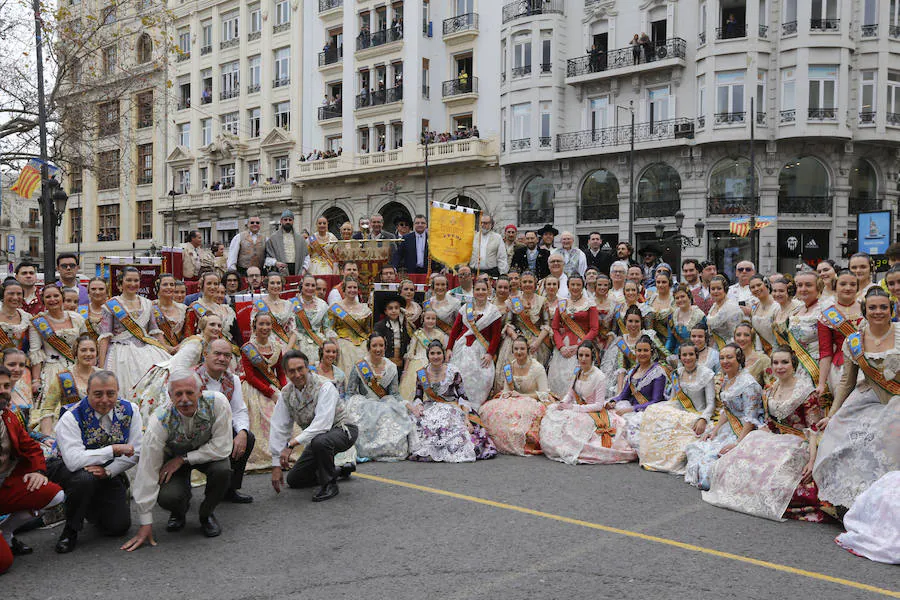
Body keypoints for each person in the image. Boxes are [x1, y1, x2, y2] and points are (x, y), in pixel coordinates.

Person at [703, 346, 830, 522]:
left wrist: (811, 461)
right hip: (774, 439)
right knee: (738, 465)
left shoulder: (806, 391)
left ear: (793, 364)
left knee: (775, 482)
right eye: (776, 362)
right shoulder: (770, 389)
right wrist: (746, 443)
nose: (780, 367)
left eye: (784, 362)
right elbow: (770, 423)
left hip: (799, 443)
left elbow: (814, 429)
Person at [123, 371, 234, 549]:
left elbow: (222, 447)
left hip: (206, 454)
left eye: (190, 393)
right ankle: (179, 511)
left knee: (223, 469)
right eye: (178, 394)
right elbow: (147, 470)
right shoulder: (159, 421)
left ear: (200, 391)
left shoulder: (217, 402)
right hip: (171, 459)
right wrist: (145, 523)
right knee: (168, 496)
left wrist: (183, 459)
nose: (184, 399)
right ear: (169, 396)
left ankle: (206, 514)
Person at [813, 287, 900, 515]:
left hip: (897, 402)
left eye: (883, 307)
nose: (878, 311)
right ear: (865, 311)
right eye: (872, 307)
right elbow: (846, 383)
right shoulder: (854, 341)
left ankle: (883, 505)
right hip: (867, 399)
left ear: (891, 309)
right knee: (838, 433)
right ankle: (849, 502)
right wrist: (832, 414)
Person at [50, 371, 142, 553]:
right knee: (84, 479)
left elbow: (136, 451)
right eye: (98, 394)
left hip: (105, 469)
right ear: (87, 392)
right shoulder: (70, 416)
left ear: (118, 392)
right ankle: (71, 529)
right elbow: (73, 461)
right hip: (66, 468)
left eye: (111, 393)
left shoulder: (131, 410)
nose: (105, 400)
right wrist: (113, 450)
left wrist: (110, 471)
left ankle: (90, 505)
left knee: (118, 528)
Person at [0, 365, 65, 573]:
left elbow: (30, 447)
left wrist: (38, 471)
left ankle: (6, 531)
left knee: (54, 495)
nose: (3, 390)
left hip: (6, 484)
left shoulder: (9, 416)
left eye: (6, 386)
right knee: (3, 563)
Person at [269, 350, 358, 501]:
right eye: (291, 371)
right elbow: (280, 427)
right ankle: (339, 471)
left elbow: (322, 424)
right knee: (295, 479)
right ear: (285, 373)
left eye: (300, 369)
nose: (297, 375)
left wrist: (291, 444)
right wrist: (276, 465)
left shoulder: (325, 386)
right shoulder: (285, 393)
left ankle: (330, 484)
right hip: (318, 438)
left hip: (343, 430)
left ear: (308, 368)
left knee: (320, 441)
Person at [541, 342, 637, 465]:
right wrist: (563, 403)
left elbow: (598, 405)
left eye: (586, 355)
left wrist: (574, 407)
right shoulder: (577, 372)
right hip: (577, 408)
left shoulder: (599, 376)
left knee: (574, 425)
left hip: (593, 413)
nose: (583, 359)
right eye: (580, 355)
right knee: (553, 412)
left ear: (592, 357)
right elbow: (571, 393)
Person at [684, 344, 763, 490]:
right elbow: (727, 410)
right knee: (695, 447)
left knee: (715, 456)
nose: (725, 361)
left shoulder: (748, 384)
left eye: (729, 357)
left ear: (739, 359)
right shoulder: (727, 379)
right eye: (722, 358)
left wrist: (738, 443)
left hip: (745, 431)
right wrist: (714, 430)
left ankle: (711, 479)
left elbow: (751, 418)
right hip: (729, 428)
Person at [409, 341, 497, 462]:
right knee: (414, 420)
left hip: (451, 407)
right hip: (431, 407)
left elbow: (463, 397)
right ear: (427, 355)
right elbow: (418, 397)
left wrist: (466, 419)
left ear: (444, 355)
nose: (435, 356)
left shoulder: (453, 372)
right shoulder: (422, 374)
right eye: (432, 353)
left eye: (438, 353)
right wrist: (418, 406)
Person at [638, 343, 716, 474]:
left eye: (691, 354)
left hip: (697, 416)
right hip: (679, 414)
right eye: (684, 355)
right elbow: (673, 400)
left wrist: (703, 419)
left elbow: (711, 404)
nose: (688, 357)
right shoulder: (677, 374)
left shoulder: (707, 374)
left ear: (696, 356)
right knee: (653, 410)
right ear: (680, 357)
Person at [130, 313, 222, 422]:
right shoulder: (196, 344)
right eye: (212, 325)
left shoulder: (207, 343)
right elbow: (178, 367)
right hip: (172, 376)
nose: (216, 328)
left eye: (219, 326)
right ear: (204, 327)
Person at [98, 267, 172, 396]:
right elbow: (105, 338)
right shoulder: (110, 305)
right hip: (120, 353)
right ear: (120, 283)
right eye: (129, 280)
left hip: (147, 350)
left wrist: (166, 349)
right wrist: (100, 366)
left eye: (136, 280)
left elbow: (155, 330)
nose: (133, 284)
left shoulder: (148, 304)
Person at [481, 336, 555, 456]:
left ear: (527, 350)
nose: (519, 352)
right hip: (514, 400)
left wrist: (522, 396)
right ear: (512, 350)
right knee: (490, 412)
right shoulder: (509, 368)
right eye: (516, 349)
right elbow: (506, 390)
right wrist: (508, 395)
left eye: (522, 349)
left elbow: (544, 394)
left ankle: (523, 442)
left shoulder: (537, 368)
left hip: (534, 400)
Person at [344, 333, 410, 461]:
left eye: (381, 345)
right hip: (364, 405)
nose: (378, 349)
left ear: (385, 347)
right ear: (369, 347)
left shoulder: (391, 367)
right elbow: (350, 392)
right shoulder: (360, 366)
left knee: (395, 416)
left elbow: (395, 394)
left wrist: (408, 405)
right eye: (374, 345)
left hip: (385, 403)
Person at [606, 334, 668, 453]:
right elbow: (623, 395)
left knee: (627, 426)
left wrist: (631, 409)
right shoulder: (633, 371)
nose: (642, 353)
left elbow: (656, 401)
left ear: (652, 352)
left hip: (646, 412)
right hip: (630, 408)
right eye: (639, 350)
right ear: (635, 352)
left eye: (645, 350)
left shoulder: (657, 372)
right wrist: (613, 402)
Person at [447, 279, 502, 409]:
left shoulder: (493, 311)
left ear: (488, 291)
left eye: (483, 289)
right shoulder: (466, 308)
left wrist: (490, 354)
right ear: (473, 291)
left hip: (482, 352)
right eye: (477, 289)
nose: (480, 292)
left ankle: (475, 409)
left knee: (482, 378)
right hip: (462, 349)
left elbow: (496, 336)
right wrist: (449, 348)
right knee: (460, 376)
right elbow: (455, 330)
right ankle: (458, 405)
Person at [29, 285, 87, 403]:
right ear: (43, 300)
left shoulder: (77, 318)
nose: (52, 299)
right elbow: (35, 352)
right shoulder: (38, 322)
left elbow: (85, 343)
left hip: (76, 367)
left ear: (62, 297)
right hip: (52, 369)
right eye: (48, 297)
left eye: (56, 295)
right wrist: (36, 380)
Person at [38, 335, 101, 435]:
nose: (88, 354)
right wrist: (47, 436)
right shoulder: (63, 377)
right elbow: (48, 409)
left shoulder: (103, 375)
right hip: (71, 430)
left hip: (99, 429)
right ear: (76, 352)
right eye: (83, 350)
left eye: (92, 350)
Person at [548, 275, 598, 398]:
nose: (575, 288)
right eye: (572, 285)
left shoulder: (590, 303)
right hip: (564, 345)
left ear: (583, 286)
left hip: (583, 345)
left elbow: (594, 329)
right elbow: (554, 328)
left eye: (578, 285)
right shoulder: (562, 303)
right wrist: (561, 347)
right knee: (559, 377)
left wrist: (579, 347)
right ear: (568, 286)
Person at [818, 269, 862, 395]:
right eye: (843, 284)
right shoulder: (826, 315)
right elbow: (825, 351)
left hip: (867, 365)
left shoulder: (868, 309)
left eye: (853, 284)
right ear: (835, 286)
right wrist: (821, 383)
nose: (848, 288)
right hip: (840, 367)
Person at [185, 273, 242, 357]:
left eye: (215, 284)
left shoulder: (226, 309)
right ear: (202, 285)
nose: (212, 287)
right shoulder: (195, 307)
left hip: (226, 353)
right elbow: (189, 337)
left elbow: (236, 335)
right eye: (209, 283)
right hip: (203, 354)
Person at [398, 309, 447, 400]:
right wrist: (405, 371)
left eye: (433, 319)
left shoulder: (440, 335)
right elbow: (410, 354)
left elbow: (443, 353)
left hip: (435, 364)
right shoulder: (417, 334)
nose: (430, 321)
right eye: (428, 318)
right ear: (423, 319)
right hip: (417, 363)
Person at [329, 277, 372, 377]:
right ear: (344, 290)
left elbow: (368, 331)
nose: (352, 290)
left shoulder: (365, 308)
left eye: (355, 287)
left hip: (362, 344)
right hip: (343, 343)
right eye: (349, 287)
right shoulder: (335, 308)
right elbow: (329, 329)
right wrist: (336, 344)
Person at [292, 275, 333, 361]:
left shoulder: (322, 305)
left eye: (313, 285)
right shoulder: (291, 304)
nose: (310, 288)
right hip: (297, 342)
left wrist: (334, 343)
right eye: (307, 285)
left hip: (318, 342)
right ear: (301, 286)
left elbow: (327, 328)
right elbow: (290, 329)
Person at [251, 273, 297, 348]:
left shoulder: (288, 305)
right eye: (272, 283)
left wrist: (287, 350)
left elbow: (293, 332)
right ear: (266, 285)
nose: (276, 286)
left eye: (278, 283)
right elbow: (254, 330)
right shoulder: (259, 305)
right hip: (265, 346)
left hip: (286, 347)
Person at [373, 294, 410, 378]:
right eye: (390, 308)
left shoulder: (405, 325)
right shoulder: (380, 325)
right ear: (385, 311)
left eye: (396, 308)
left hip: (401, 363)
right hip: (385, 362)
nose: (394, 311)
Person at [666, 284, 706, 356]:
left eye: (682, 296)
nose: (680, 300)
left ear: (689, 296)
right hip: (677, 354)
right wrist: (666, 355)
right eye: (677, 298)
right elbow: (670, 339)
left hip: (695, 354)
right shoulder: (672, 316)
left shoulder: (698, 316)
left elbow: (704, 338)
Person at [265, 210, 309, 277]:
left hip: (297, 270)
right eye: (285, 220)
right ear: (281, 221)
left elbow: (306, 256)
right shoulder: (273, 239)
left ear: (293, 221)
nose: (288, 222)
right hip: (279, 271)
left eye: (290, 220)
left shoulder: (301, 239)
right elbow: (267, 258)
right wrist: (275, 263)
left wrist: (304, 269)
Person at [153, 274, 188, 353]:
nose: (169, 287)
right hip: (157, 350)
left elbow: (188, 333)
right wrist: (166, 348)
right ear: (158, 287)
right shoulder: (150, 307)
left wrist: (180, 347)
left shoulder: (184, 308)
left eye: (171, 284)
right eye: (165, 284)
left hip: (180, 351)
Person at [706, 275, 742, 350]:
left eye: (719, 288)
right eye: (713, 289)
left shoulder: (732, 307)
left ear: (725, 289)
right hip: (714, 347)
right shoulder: (714, 306)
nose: (715, 291)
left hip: (729, 347)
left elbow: (736, 333)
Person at [0, 280, 33, 353]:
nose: (15, 297)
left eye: (19, 294)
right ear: (2, 294)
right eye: (11, 293)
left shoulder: (27, 318)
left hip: (19, 362)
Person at [644, 269, 675, 343]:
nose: (660, 285)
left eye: (664, 282)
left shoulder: (674, 300)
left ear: (669, 283)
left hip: (669, 341)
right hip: (652, 342)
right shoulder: (651, 298)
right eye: (658, 282)